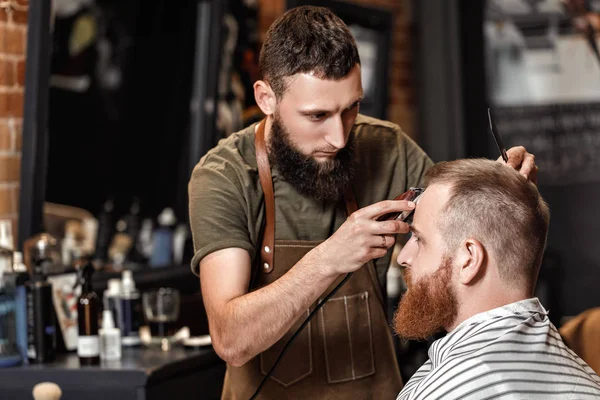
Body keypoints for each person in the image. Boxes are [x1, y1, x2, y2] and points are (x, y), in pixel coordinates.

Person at [188, 6, 537, 399]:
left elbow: (461, 237)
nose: (338, 138)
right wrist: (332, 257)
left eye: (351, 108)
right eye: (317, 115)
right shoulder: (224, 177)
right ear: (266, 98)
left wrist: (498, 188)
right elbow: (231, 339)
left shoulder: (388, 149)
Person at [394, 158, 600, 400]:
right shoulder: (587, 383)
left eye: (419, 239)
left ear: (469, 259)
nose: (403, 257)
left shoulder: (447, 392)